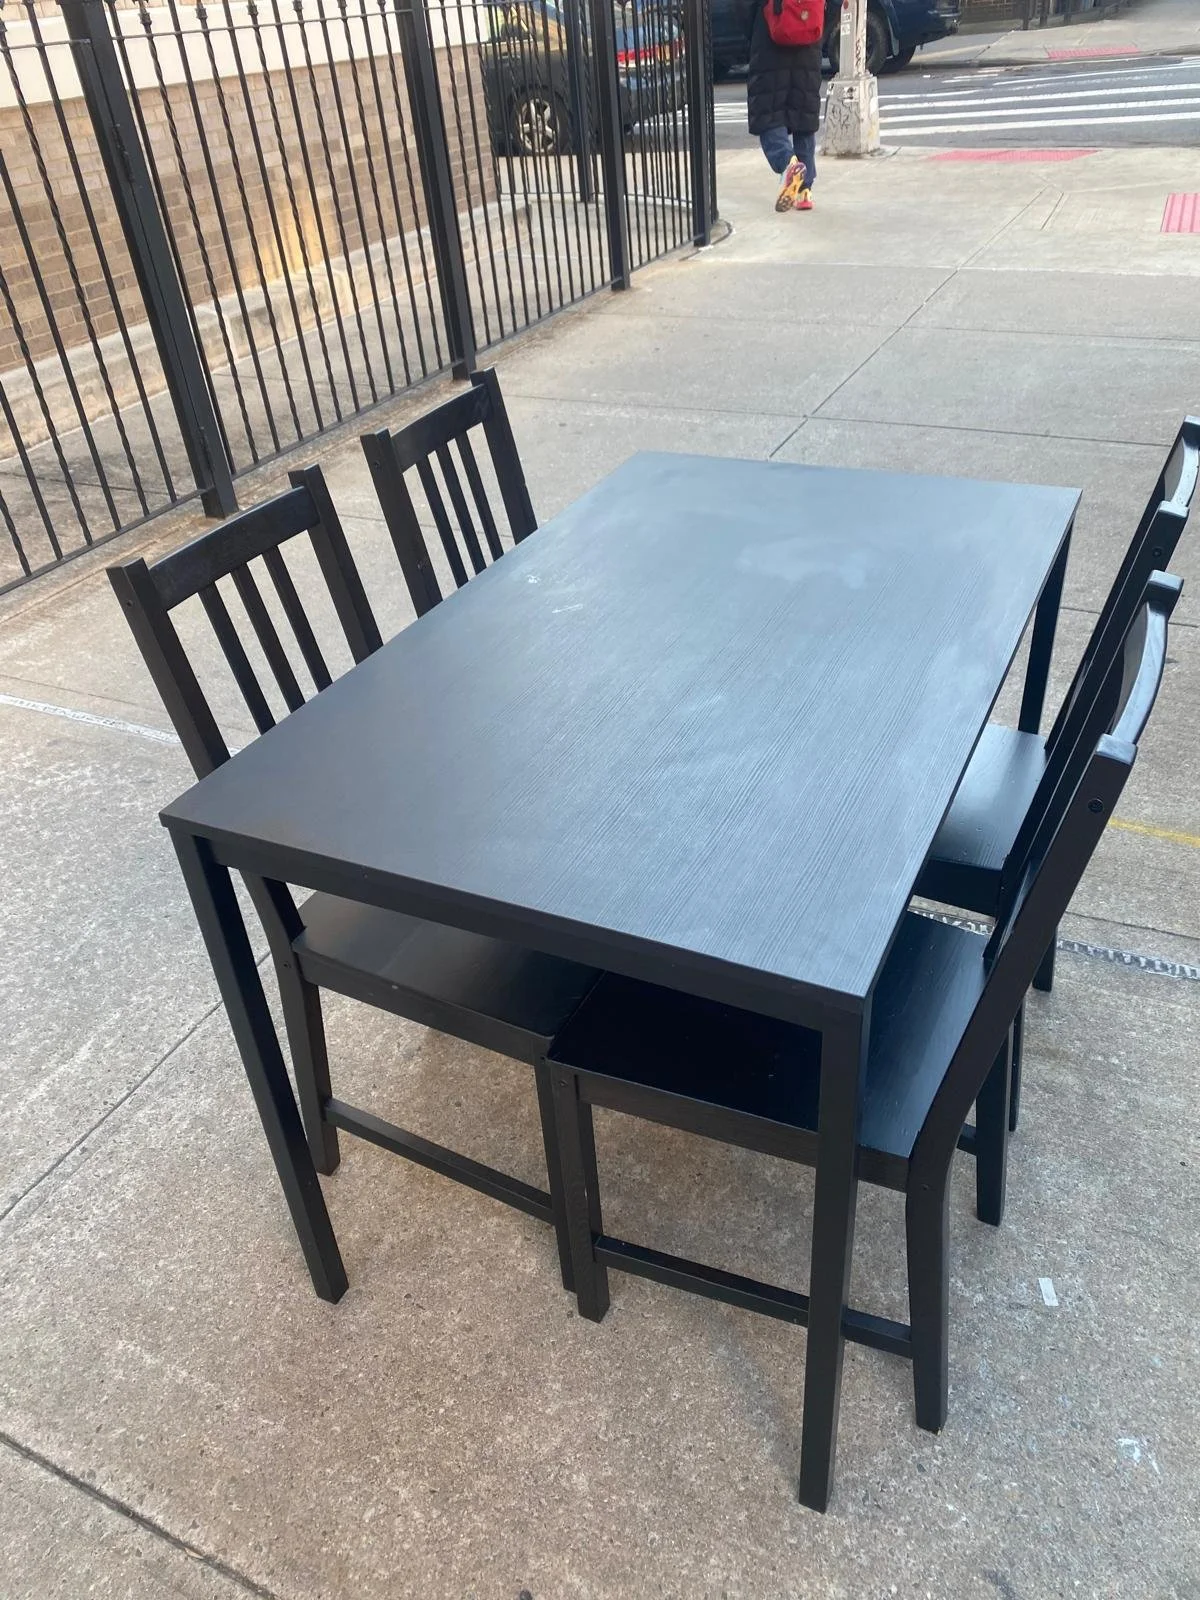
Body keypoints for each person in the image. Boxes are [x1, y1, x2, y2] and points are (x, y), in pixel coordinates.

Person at [743, 0, 822, 212]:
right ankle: (804, 192)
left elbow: (743, 6)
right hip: (809, 41)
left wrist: (758, 27)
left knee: (768, 116)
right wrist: (816, 22)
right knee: (803, 115)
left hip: (769, 40)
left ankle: (788, 164)